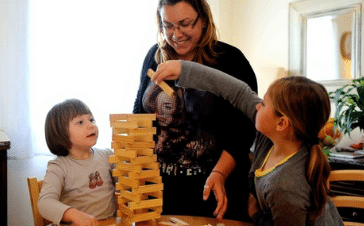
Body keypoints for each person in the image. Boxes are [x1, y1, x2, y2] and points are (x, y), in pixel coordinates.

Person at [151, 60, 344, 225]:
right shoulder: (272, 138)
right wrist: (184, 68)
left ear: (281, 123)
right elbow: (236, 91)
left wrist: (254, 213)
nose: (257, 104)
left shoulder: (286, 186)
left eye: (265, 104)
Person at [133, 0, 257, 221]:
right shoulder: (155, 55)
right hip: (159, 189)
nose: (176, 34)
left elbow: (244, 131)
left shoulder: (230, 60)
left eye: (185, 24)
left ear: (203, 20)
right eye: (167, 25)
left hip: (213, 188)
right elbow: (139, 115)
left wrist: (219, 174)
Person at [38, 99, 116, 226]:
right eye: (80, 122)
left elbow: (127, 185)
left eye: (91, 120)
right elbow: (45, 203)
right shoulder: (58, 167)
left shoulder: (107, 156)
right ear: (61, 132)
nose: (91, 125)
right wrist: (73, 214)